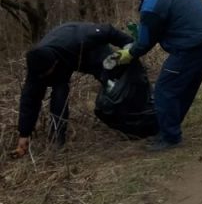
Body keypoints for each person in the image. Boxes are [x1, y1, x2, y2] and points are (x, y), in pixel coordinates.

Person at [117, 0, 202, 151]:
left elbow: (145, 43)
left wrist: (129, 53)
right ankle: (170, 128)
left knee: (164, 90)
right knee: (185, 87)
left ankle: (170, 137)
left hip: (191, 47)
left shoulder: (151, 5)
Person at [12, 22, 134, 157]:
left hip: (91, 52)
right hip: (64, 61)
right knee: (59, 93)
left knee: (115, 85)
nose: (44, 79)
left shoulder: (81, 39)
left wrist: (130, 46)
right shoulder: (37, 65)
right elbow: (30, 99)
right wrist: (24, 133)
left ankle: (132, 120)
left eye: (46, 74)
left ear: (53, 64)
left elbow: (108, 30)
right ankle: (57, 139)